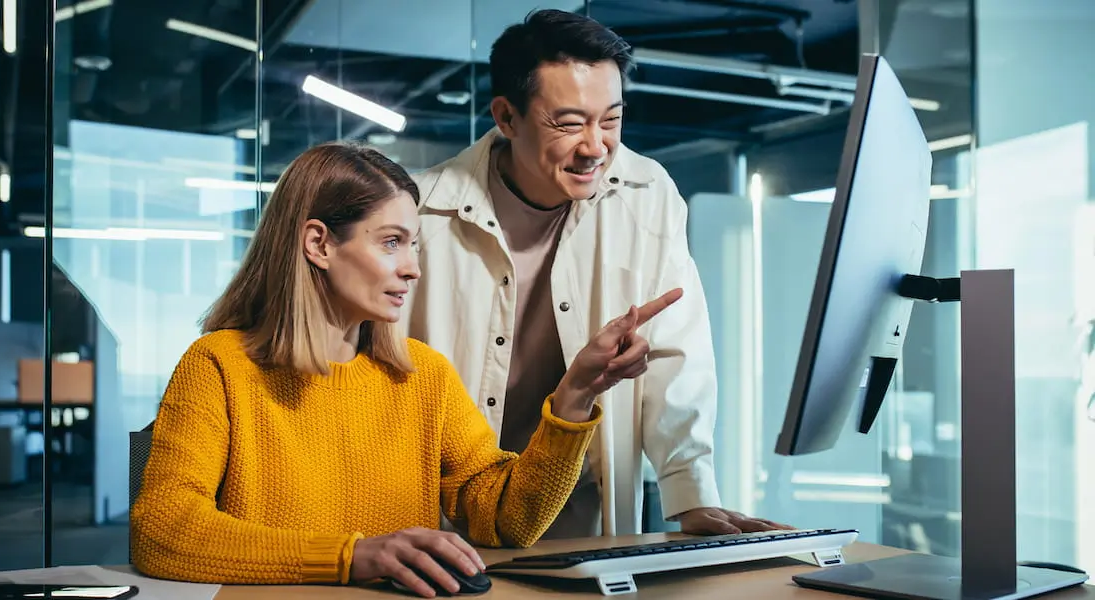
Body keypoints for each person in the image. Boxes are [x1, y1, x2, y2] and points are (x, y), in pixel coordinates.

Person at [129, 142, 681, 597]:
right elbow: (164, 531)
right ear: (318, 243)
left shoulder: (423, 375)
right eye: (391, 242)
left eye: (413, 244)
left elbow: (506, 519)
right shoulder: (219, 366)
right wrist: (352, 556)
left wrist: (575, 393)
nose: (413, 268)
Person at [407, 9, 790, 539]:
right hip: (443, 515)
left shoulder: (647, 192)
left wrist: (691, 494)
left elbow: (677, 353)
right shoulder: (421, 210)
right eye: (568, 124)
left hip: (578, 509)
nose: (595, 147)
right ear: (506, 117)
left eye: (610, 120)